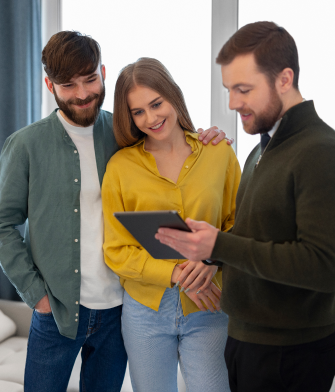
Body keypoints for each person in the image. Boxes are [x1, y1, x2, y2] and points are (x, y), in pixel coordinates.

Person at [0, 31, 229, 392]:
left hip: (119, 310)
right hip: (57, 310)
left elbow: (170, 146)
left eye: (90, 79)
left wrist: (206, 137)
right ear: (50, 84)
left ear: (102, 72)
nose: (82, 93)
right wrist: (36, 295)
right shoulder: (25, 145)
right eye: (68, 84)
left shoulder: (123, 132)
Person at [155, 22, 335, 392]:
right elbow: (259, 233)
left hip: (290, 353)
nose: (233, 103)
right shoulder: (263, 148)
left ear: (285, 79)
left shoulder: (323, 154)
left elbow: (322, 267)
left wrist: (219, 246)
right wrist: (209, 251)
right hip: (247, 341)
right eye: (229, 90)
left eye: (244, 89)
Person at [102, 57, 241, 392]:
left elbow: (242, 225)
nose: (151, 118)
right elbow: (117, 251)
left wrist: (213, 258)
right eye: (138, 112)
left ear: (173, 95)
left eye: (156, 104)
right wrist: (177, 273)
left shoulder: (218, 153)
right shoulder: (120, 167)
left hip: (209, 304)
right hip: (145, 311)